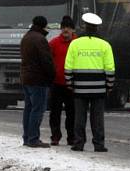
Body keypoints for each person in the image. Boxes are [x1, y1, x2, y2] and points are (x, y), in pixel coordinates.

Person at [64, 13, 115, 152]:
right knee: (97, 118)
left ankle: (79, 143)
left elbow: (68, 66)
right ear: (97, 28)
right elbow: (110, 69)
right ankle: (98, 144)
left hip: (79, 88)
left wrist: (70, 83)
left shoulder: (75, 44)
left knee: (79, 117)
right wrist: (109, 86)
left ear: (84, 26)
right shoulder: (105, 45)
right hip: (99, 89)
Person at [20, 15, 55, 147]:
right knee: (38, 109)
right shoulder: (40, 39)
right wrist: (52, 76)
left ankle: (27, 138)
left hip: (27, 78)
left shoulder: (26, 37)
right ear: (43, 26)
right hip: (38, 79)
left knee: (28, 109)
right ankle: (34, 139)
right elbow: (46, 61)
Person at [48, 15, 77, 145]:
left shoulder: (78, 43)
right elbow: (47, 60)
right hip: (56, 83)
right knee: (55, 112)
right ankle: (55, 136)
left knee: (72, 113)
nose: (66, 30)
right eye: (64, 27)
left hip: (73, 84)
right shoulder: (53, 43)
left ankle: (71, 136)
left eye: (68, 27)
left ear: (73, 30)